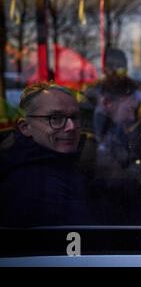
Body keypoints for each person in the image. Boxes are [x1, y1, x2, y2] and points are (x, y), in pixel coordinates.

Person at [0, 82, 94, 227]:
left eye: (74, 117)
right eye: (55, 118)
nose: (72, 127)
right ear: (25, 127)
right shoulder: (35, 185)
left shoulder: (60, 166)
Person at [90, 75, 141, 225]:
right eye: (129, 110)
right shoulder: (98, 138)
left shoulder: (110, 130)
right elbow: (116, 176)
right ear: (107, 103)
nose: (131, 118)